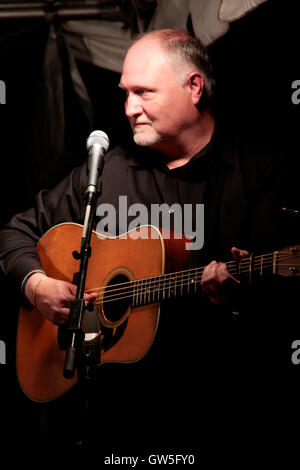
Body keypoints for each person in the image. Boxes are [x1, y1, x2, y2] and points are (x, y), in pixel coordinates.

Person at [0, 29, 297, 458]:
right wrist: (36, 285)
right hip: (116, 415)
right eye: (125, 93)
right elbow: (15, 232)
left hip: (219, 410)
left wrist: (239, 295)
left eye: (144, 92)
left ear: (194, 87)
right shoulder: (107, 171)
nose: (129, 109)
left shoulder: (259, 172)